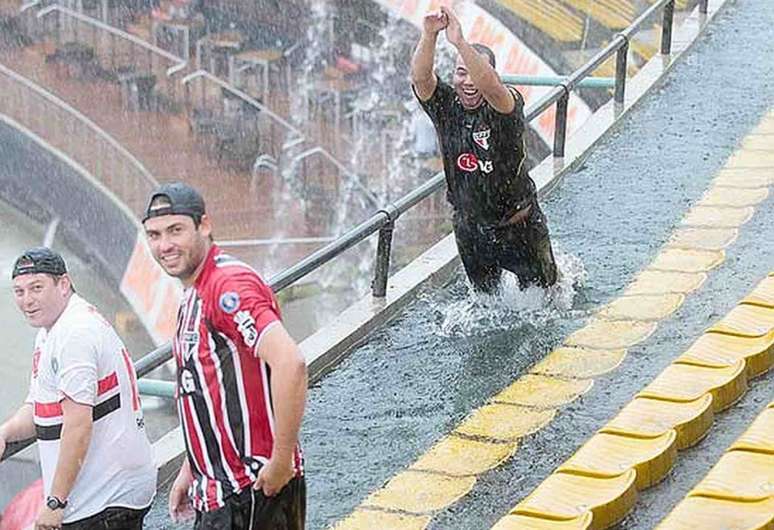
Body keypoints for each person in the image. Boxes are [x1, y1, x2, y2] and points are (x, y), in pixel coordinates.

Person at [141, 182, 307, 530]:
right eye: (154, 235)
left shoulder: (227, 286)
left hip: (249, 490)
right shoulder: (194, 290)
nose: (164, 245)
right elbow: (207, 389)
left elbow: (290, 364)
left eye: (176, 230)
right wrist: (193, 467)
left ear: (204, 225)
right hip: (221, 491)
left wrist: (280, 461)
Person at [0, 247, 156, 530]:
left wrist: (54, 502)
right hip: (106, 495)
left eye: (36, 288)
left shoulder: (75, 334)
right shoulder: (53, 330)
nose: (27, 300)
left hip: (103, 501)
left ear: (63, 284)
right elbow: (40, 407)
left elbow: (78, 425)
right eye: (19, 291)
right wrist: (6, 432)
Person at [410, 6, 559, 293]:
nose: (468, 82)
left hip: (520, 227)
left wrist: (460, 43)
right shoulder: (447, 107)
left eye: (474, 73)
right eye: (460, 73)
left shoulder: (504, 105)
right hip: (471, 231)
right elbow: (421, 79)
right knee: (484, 305)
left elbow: (489, 85)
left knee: (548, 298)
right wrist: (429, 35)